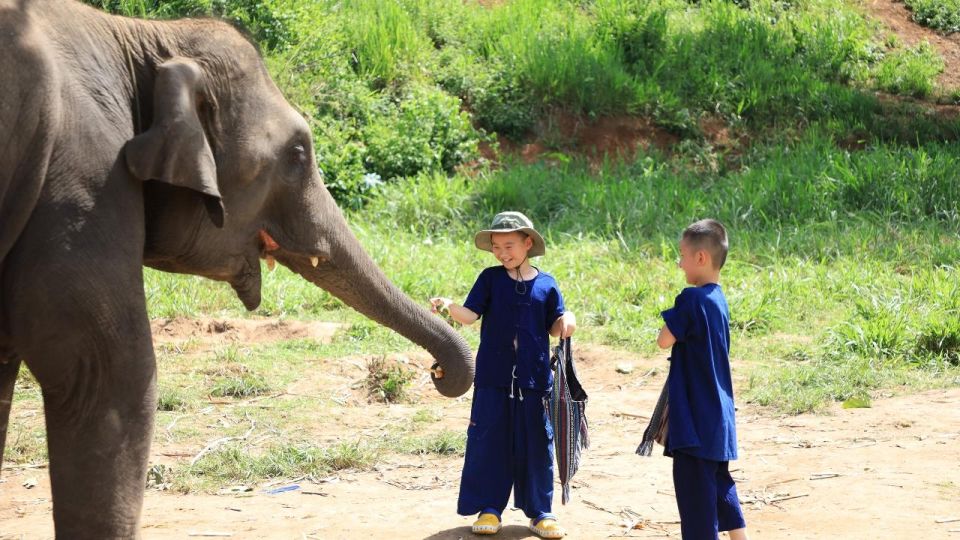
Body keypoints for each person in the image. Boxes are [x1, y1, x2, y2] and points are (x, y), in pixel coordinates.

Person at [430, 211, 576, 539]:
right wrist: (448, 305)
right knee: (489, 442)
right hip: (492, 379)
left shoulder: (548, 285)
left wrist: (568, 319)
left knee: (538, 444)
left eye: (508, 245)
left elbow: (554, 326)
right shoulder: (490, 279)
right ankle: (490, 509)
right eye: (496, 247)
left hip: (535, 381)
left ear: (528, 243)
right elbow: (469, 316)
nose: (502, 253)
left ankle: (541, 513)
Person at [656, 219, 749, 540]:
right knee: (720, 486)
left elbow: (663, 339)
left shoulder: (692, 299)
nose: (679, 263)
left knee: (697, 506)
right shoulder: (719, 301)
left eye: (682, 255)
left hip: (694, 424)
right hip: (718, 420)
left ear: (700, 259)